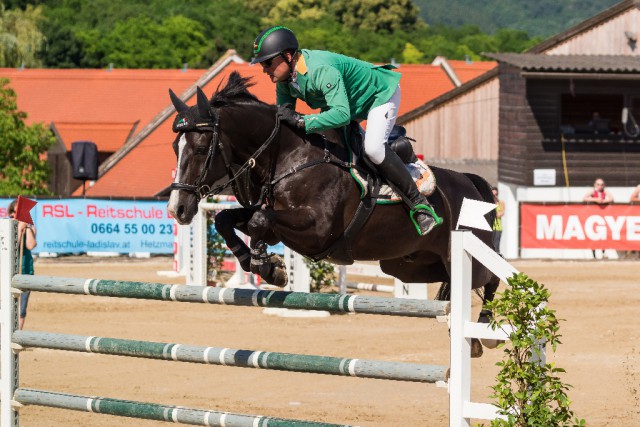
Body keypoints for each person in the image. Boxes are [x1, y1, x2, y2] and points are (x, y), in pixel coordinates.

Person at [250, 26, 440, 236]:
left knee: (374, 149)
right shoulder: (285, 81)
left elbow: (340, 115)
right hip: (348, 104)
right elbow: (285, 119)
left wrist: (303, 121)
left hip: (378, 95)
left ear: (287, 56)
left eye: (268, 62)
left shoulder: (320, 70)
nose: (264, 69)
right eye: (262, 64)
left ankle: (420, 205)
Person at [8, 199, 37, 330]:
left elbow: (30, 245)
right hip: (9, 271)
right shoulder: (7, 228)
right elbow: (13, 246)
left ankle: (18, 335)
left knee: (22, 308)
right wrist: (19, 229)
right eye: (14, 212)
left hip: (26, 271)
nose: (16, 215)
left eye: (19, 213)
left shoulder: (30, 228)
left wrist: (27, 228)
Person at [491, 187, 504, 254]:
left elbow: (501, 213)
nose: (495, 196)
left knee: (496, 245)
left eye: (496, 194)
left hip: (498, 227)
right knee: (491, 245)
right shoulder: (489, 203)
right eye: (493, 195)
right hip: (491, 227)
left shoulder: (500, 203)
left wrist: (493, 214)